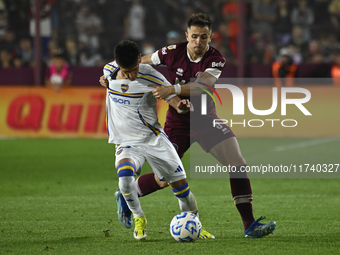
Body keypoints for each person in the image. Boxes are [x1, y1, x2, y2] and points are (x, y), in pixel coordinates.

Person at [100, 13, 276, 238]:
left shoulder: (216, 59)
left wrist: (172, 90)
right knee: (164, 179)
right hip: (177, 124)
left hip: (206, 121)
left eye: (204, 37)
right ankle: (126, 193)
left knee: (237, 163)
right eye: (194, 36)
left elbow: (204, 85)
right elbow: (137, 60)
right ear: (187, 35)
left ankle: (250, 225)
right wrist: (111, 74)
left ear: (211, 37)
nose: (198, 42)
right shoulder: (171, 52)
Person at [103, 40, 213, 241]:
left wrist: (182, 106)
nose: (132, 75)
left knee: (181, 189)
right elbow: (107, 77)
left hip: (154, 139)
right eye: (127, 72)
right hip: (127, 142)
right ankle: (139, 217)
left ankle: (195, 225)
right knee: (125, 176)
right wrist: (104, 80)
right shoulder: (109, 71)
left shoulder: (151, 76)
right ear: (118, 65)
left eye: (135, 69)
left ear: (140, 59)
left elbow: (172, 99)